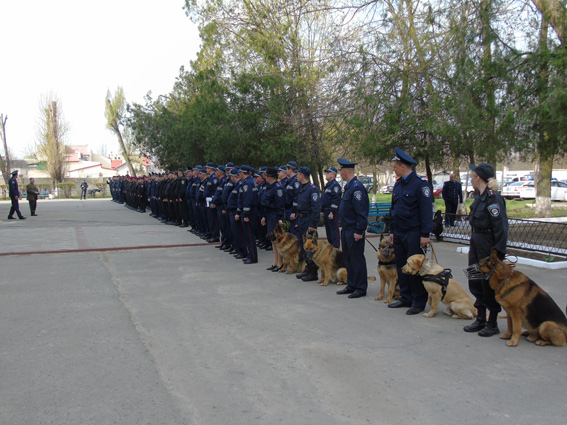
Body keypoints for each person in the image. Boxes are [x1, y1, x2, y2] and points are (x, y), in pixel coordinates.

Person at [463, 163, 508, 337]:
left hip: (488, 244)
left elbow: (501, 227)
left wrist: (498, 252)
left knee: (488, 284)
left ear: (478, 178)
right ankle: (480, 318)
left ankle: (492, 322)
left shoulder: (493, 199)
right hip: (477, 241)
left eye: (472, 176)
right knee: (475, 279)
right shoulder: (479, 197)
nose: (471, 179)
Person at [387, 148, 432, 314]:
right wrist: (392, 230)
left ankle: (418, 301)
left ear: (403, 166)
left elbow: (426, 211)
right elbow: (394, 209)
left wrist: (425, 235)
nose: (393, 168)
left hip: (414, 232)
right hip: (399, 232)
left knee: (415, 268)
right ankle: (405, 297)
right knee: (402, 266)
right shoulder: (399, 184)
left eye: (395, 166)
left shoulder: (420, 185)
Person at [335, 158, 369, 298]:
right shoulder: (349, 187)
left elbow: (361, 211)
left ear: (344, 171)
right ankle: (351, 284)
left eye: (340, 171)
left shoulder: (357, 188)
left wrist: (359, 230)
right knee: (348, 258)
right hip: (346, 229)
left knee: (356, 259)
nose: (340, 173)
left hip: (354, 229)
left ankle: (360, 288)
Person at [294, 166, 321, 282]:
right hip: (301, 220)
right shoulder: (302, 188)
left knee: (311, 247)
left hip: (308, 220)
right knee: (304, 245)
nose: (296, 176)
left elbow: (316, 208)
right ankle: (307, 269)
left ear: (302, 175)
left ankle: (313, 272)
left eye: (298, 174)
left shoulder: (312, 189)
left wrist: (312, 224)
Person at [320, 166, 342, 248]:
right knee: (329, 233)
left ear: (333, 175)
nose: (326, 174)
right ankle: (331, 249)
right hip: (326, 212)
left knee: (334, 233)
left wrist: (332, 212)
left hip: (331, 213)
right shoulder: (328, 186)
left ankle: (335, 250)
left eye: (328, 173)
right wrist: (322, 210)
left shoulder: (335, 186)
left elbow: (336, 200)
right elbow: (324, 199)